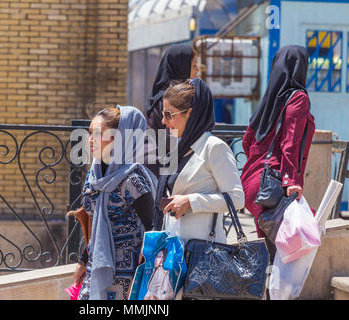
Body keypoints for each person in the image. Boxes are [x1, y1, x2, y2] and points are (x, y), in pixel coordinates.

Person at [240, 45, 316, 263]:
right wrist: (290, 180)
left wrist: (260, 162)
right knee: (288, 256)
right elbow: (289, 143)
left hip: (253, 184)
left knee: (269, 258)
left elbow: (247, 141)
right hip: (274, 189)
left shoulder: (269, 99)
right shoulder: (298, 98)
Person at [74, 106, 157, 300]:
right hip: (95, 267)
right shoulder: (93, 176)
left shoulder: (132, 179)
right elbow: (93, 222)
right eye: (90, 133)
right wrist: (82, 261)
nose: (91, 140)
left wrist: (144, 274)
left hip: (127, 273)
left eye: (98, 134)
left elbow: (152, 227)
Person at [153, 78, 245, 245]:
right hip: (174, 248)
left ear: (190, 113)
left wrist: (191, 201)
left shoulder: (214, 147)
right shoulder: (177, 147)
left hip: (203, 251)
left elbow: (237, 198)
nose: (163, 121)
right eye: (163, 114)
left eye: (169, 115)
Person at [144, 44, 199, 178]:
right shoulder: (172, 98)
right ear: (182, 66)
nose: (197, 70)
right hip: (158, 169)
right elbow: (169, 140)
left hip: (153, 164)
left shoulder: (165, 93)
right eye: (194, 65)